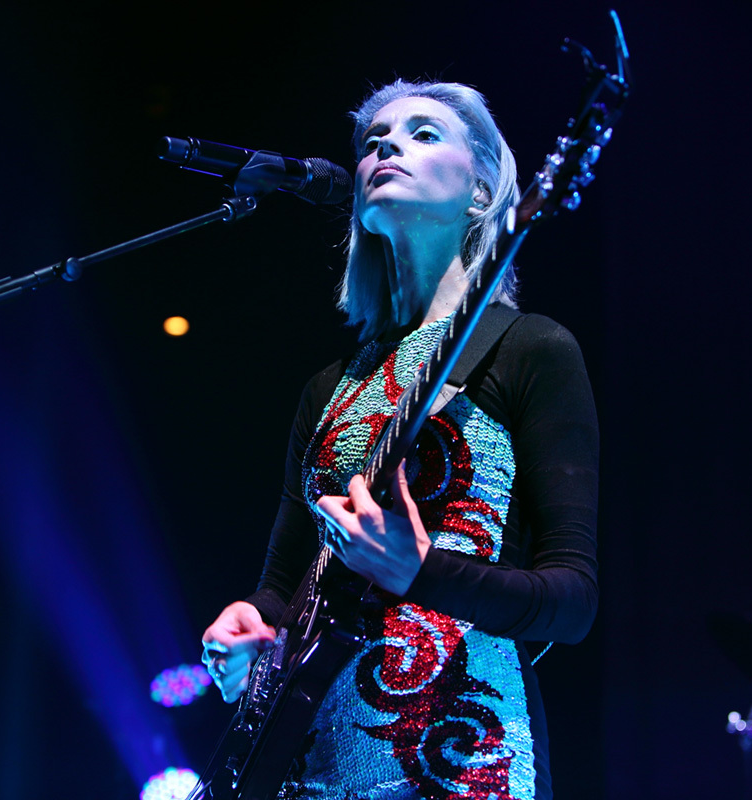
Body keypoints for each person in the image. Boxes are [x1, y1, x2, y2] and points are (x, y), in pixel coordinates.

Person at [201, 79, 599, 800]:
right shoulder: (328, 387)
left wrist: (422, 571)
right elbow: (287, 582)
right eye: (373, 140)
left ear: (480, 194)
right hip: (305, 766)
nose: (385, 146)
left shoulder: (531, 349)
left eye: (422, 133)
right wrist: (248, 628)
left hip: (463, 762)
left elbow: (572, 603)